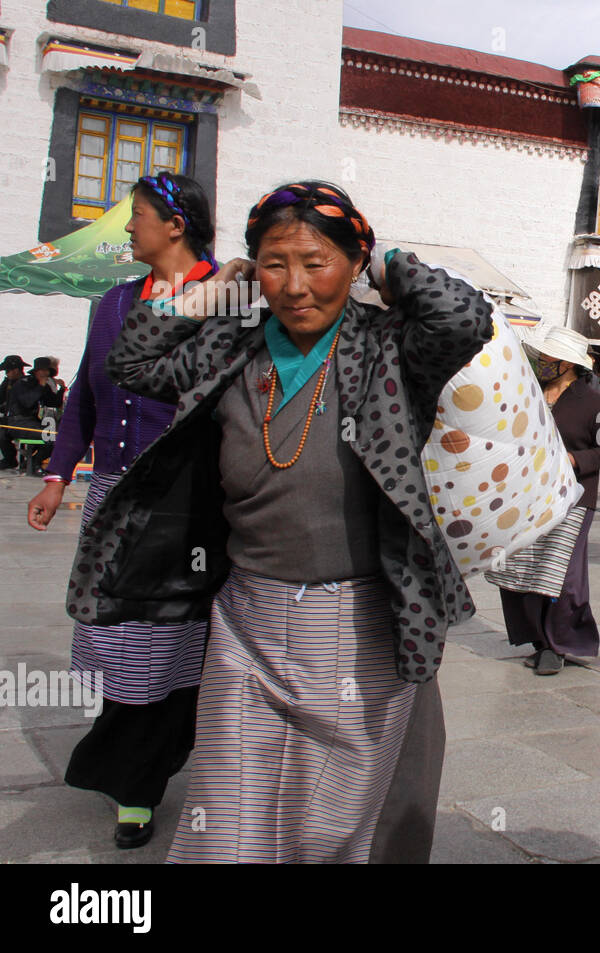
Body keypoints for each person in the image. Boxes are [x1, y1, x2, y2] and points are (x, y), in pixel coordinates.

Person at [70, 180, 494, 862]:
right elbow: (132, 363)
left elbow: (464, 318)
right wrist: (209, 294)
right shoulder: (233, 343)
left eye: (315, 261)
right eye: (273, 262)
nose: (294, 284)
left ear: (352, 263)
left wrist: (382, 261)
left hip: (359, 623)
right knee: (227, 819)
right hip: (247, 615)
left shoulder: (388, 347)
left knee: (328, 831)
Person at [27, 172, 217, 849]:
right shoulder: (112, 302)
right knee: (116, 636)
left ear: (175, 223)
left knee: (170, 642)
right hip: (112, 492)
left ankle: (138, 783)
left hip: (187, 500)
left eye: (136, 215)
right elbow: (86, 388)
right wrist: (57, 474)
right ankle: (135, 761)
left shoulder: (229, 295)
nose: (127, 227)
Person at [487, 326, 600, 676]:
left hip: (573, 499)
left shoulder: (595, 402)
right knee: (520, 568)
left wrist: (576, 460)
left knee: (560, 574)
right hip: (527, 496)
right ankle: (536, 639)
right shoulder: (529, 392)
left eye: (549, 357)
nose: (542, 361)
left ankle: (558, 644)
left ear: (567, 364)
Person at [4, 356, 62, 472]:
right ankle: (34, 463)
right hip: (17, 423)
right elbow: (27, 402)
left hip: (31, 422)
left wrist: (62, 389)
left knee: (58, 435)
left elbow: (53, 402)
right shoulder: (23, 383)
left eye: (47, 371)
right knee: (51, 437)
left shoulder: (41, 385)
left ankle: (32, 462)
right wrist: (41, 386)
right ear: (37, 371)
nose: (46, 373)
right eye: (43, 370)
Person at [0, 354, 29, 470]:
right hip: (9, 418)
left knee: (2, 433)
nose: (6, 373)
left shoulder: (26, 383)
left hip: (23, 419)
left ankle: (10, 459)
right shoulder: (8, 382)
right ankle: (9, 458)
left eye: (8, 371)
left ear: (16, 370)